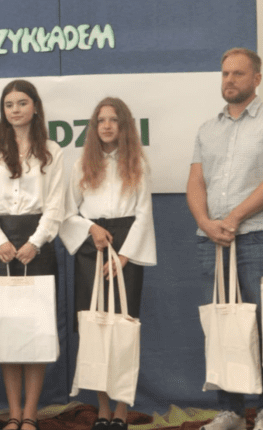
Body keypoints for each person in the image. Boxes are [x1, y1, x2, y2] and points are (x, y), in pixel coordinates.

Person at [187, 47, 263, 430]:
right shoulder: (208, 129)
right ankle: (232, 412)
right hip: (213, 241)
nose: (229, 80)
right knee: (223, 327)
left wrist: (233, 218)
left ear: (256, 78)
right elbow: (196, 182)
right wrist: (206, 222)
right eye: (225, 73)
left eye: (238, 74)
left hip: (259, 238)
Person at [59, 97, 156, 430]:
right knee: (95, 329)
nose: (107, 125)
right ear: (94, 126)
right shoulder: (81, 165)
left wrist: (126, 255)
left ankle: (121, 409)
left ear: (124, 125)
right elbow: (67, 213)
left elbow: (144, 213)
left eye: (113, 120)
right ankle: (102, 407)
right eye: (101, 120)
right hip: (93, 246)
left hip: (127, 246)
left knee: (123, 327)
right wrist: (91, 229)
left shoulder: (138, 164)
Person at [0, 80, 64, 430]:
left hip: (36, 245)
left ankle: (31, 414)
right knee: (6, 332)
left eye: (22, 103)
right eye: (9, 104)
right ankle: (13, 414)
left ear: (35, 107)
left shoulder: (52, 150)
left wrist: (36, 242)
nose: (15, 109)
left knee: (35, 331)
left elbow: (56, 205)